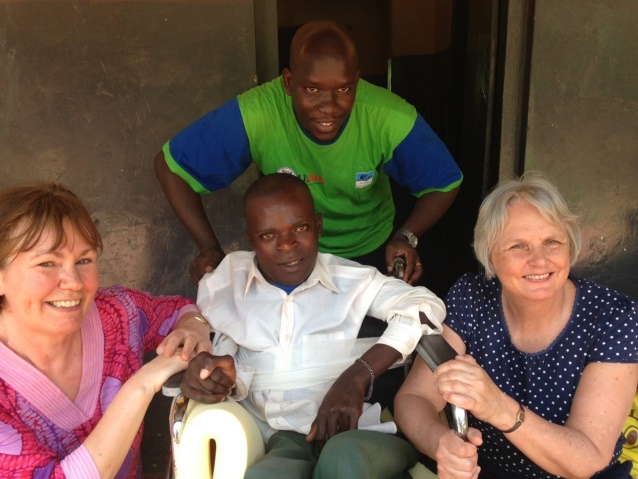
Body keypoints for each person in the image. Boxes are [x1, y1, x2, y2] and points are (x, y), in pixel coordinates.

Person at [154, 19, 463, 286]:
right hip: (288, 255)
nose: (328, 106)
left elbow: (445, 182)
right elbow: (171, 168)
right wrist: (208, 247)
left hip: (368, 250)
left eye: (343, 89)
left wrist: (406, 236)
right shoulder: (257, 114)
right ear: (289, 82)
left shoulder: (388, 117)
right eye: (311, 89)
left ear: (357, 81)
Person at [179, 173, 447, 478]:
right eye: (268, 235)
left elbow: (426, 308)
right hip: (281, 437)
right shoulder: (226, 285)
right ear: (250, 239)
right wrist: (214, 376)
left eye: (300, 228)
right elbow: (219, 348)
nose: (287, 245)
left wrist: (356, 377)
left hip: (358, 434)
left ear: (318, 226)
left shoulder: (350, 280)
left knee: (343, 461)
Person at [394, 172, 638, 479]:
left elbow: (588, 460)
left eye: (552, 242)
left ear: (570, 246)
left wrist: (499, 407)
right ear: (491, 256)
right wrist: (441, 444)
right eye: (518, 247)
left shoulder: (612, 317)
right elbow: (415, 398)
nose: (539, 261)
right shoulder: (473, 297)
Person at [0, 183, 212, 478]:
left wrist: (195, 329)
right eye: (47, 263)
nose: (73, 281)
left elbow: (179, 310)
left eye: (84, 260)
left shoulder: (116, 313)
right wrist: (142, 384)